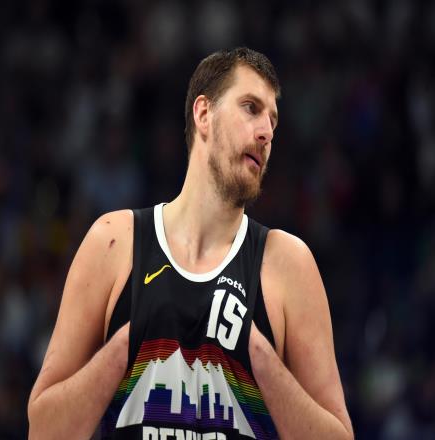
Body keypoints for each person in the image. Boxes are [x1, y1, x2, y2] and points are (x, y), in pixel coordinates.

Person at [28, 47, 354, 440]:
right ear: (203, 114)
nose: (266, 132)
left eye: (272, 121)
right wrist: (123, 347)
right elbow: (43, 431)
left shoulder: (287, 263)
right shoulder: (114, 242)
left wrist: (262, 358)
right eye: (251, 108)